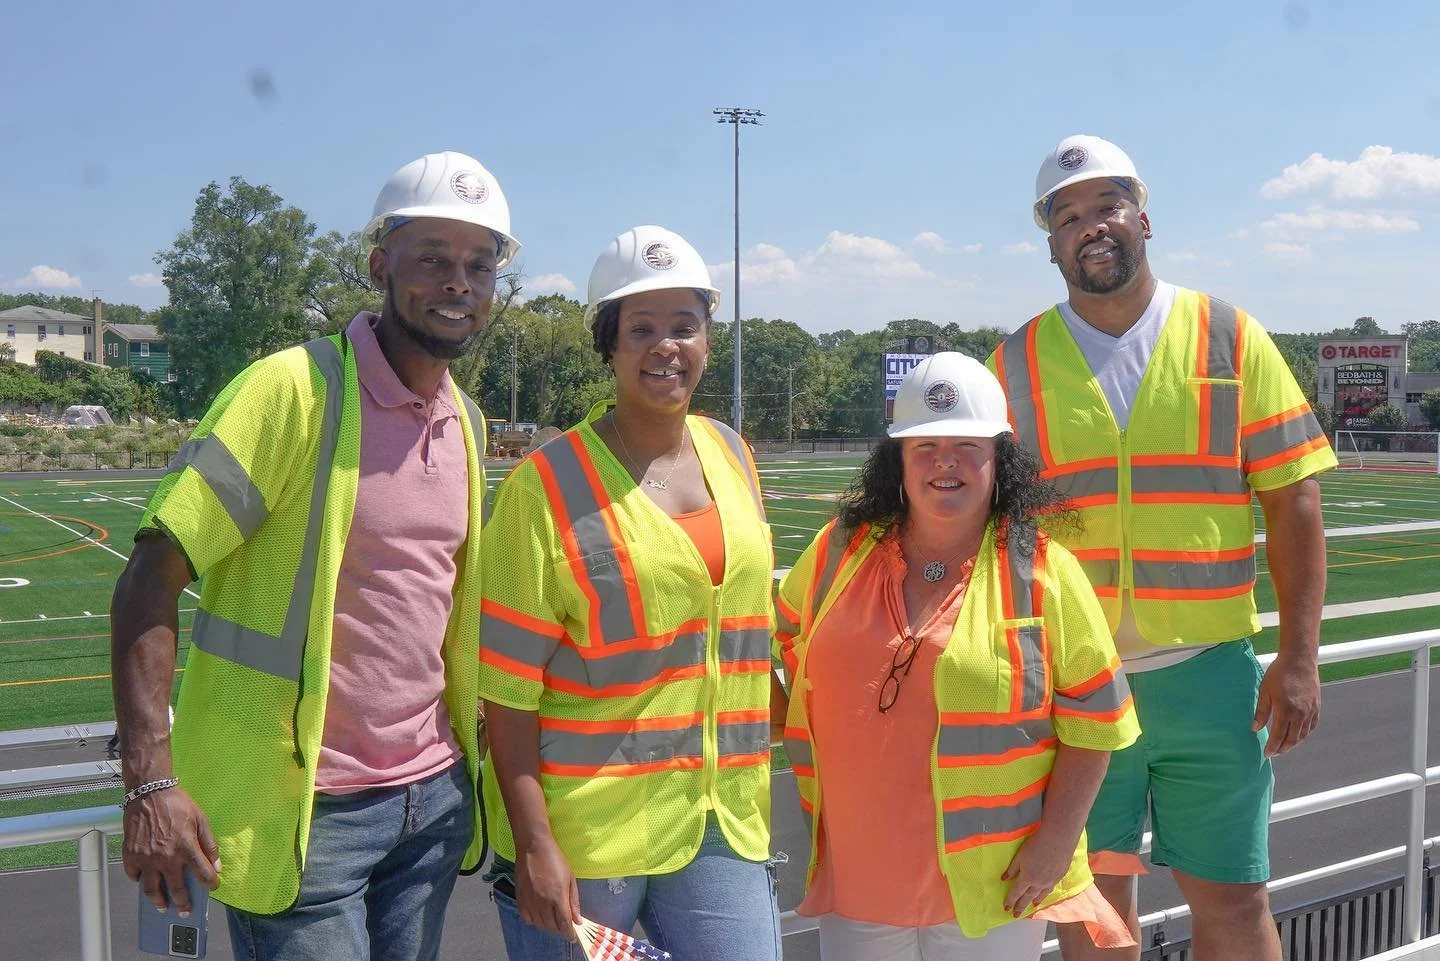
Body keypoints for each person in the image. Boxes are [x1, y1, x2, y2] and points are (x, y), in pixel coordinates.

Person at [110, 150, 518, 961]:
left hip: (431, 805)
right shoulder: (289, 392)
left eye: (479, 265)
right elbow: (150, 578)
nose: (458, 283)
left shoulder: (465, 421)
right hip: (302, 812)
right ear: (378, 265)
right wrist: (150, 780)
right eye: (432, 258)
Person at [989, 135, 1337, 961]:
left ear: (1143, 217)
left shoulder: (1228, 334)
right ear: (1050, 243)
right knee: (1097, 914)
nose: (1091, 226)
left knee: (1233, 899)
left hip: (1211, 678)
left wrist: (1299, 658)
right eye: (1068, 215)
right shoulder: (1012, 363)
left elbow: (1295, 502)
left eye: (1106, 205)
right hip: (1077, 691)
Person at [478, 225, 785, 961]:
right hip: (588, 833)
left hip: (720, 816)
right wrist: (535, 844)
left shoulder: (733, 454)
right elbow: (506, 689)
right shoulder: (545, 485)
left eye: (685, 326)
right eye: (641, 328)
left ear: (708, 339)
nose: (665, 346)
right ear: (608, 345)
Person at [774, 352, 1141, 961]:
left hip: (995, 884)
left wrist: (1055, 845)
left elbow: (1095, 723)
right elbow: (786, 640)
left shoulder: (1044, 571)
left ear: (1000, 459)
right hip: (857, 873)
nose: (946, 461)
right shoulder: (840, 550)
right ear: (899, 461)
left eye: (968, 444)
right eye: (924, 445)